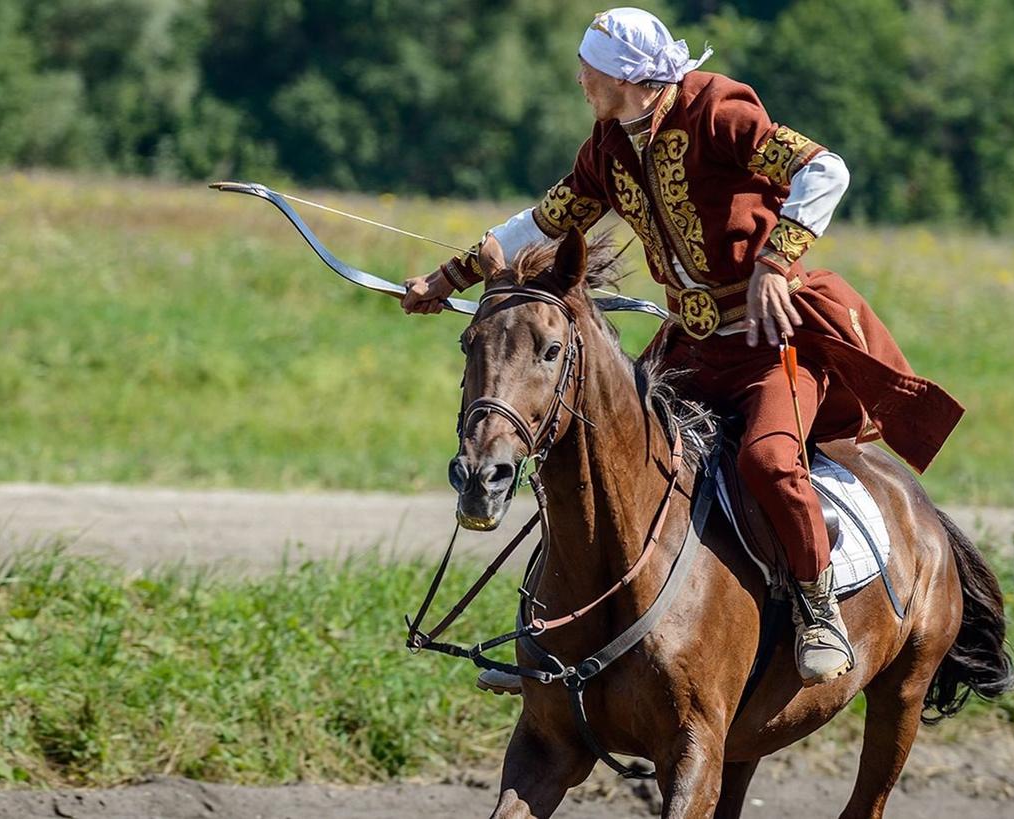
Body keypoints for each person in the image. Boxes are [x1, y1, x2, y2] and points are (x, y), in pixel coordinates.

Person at [401, 7, 963, 687]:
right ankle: (565, 641)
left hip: (769, 342)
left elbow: (826, 171)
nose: (581, 79)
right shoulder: (608, 147)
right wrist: (446, 277)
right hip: (690, 347)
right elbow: (542, 221)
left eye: (590, 69)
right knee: (601, 451)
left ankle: (819, 611)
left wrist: (774, 263)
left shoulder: (718, 110)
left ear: (627, 76)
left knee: (767, 458)